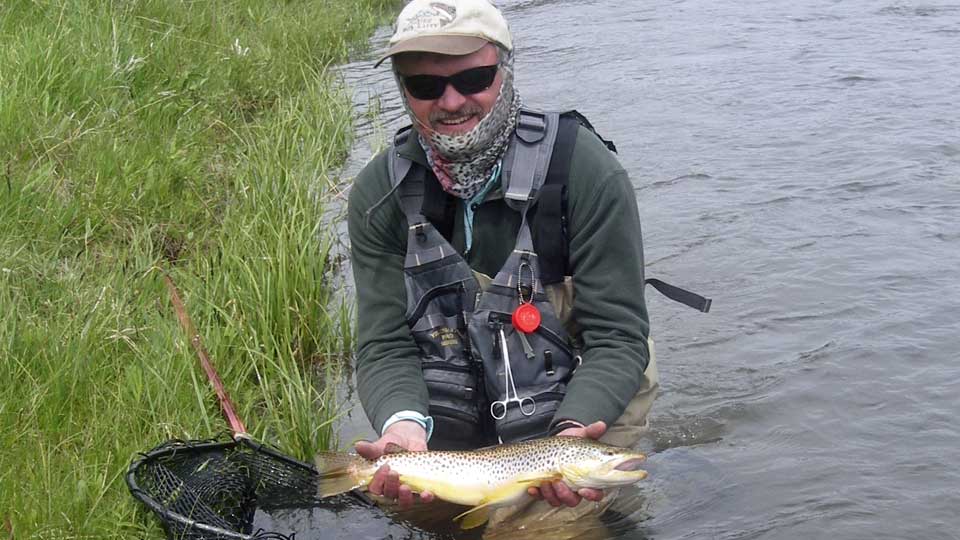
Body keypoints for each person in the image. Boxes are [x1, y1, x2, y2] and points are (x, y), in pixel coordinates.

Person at [346, 0, 659, 515]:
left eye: (473, 78)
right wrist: (401, 422)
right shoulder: (378, 194)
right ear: (403, 89)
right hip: (455, 379)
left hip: (582, 392)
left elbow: (618, 336)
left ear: (506, 70)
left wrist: (572, 433)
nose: (451, 101)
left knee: (547, 526)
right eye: (425, 85)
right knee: (423, 512)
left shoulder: (586, 171)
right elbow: (384, 343)